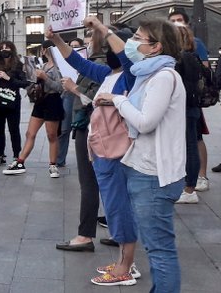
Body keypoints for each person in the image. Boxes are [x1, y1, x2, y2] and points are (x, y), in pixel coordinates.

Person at [95, 19, 186, 290]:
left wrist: (118, 100)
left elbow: (145, 122)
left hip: (154, 173)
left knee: (160, 251)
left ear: (156, 47)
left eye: (138, 38)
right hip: (145, 168)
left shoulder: (163, 77)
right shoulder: (149, 74)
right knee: (157, 248)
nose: (132, 43)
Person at [49, 18, 140, 286]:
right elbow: (79, 63)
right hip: (102, 149)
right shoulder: (108, 75)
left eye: (111, 46)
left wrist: (103, 28)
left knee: (119, 206)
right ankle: (125, 262)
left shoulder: (130, 74)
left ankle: (125, 268)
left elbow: (126, 58)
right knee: (113, 205)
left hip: (117, 150)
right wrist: (57, 40)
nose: (106, 49)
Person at [3, 41, 65, 177]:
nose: (45, 51)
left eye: (46, 49)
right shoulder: (43, 65)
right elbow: (31, 84)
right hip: (41, 101)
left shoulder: (60, 67)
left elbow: (60, 88)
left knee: (52, 135)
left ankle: (53, 165)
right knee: (30, 133)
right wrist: (32, 78)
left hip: (53, 100)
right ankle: (20, 161)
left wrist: (45, 77)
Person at [168, 9, 211, 192]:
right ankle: (188, 181)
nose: (176, 24)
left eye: (179, 20)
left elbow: (205, 69)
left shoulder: (193, 48)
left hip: (188, 102)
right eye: (172, 21)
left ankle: (198, 178)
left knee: (194, 140)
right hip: (186, 103)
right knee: (189, 141)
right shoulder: (176, 52)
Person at [0, 41, 30, 167]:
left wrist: (9, 78)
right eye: (2, 48)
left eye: (7, 48)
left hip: (12, 102)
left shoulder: (18, 65)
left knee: (14, 129)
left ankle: (16, 155)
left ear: (12, 50)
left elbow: (25, 83)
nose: (4, 50)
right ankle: (0, 154)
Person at [172, 25, 205, 204]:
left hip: (184, 108)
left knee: (189, 146)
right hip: (191, 107)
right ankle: (187, 186)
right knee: (189, 145)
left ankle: (189, 188)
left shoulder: (182, 58)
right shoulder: (192, 56)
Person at [57, 38, 84, 168]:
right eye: (71, 46)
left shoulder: (85, 61)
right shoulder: (65, 60)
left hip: (81, 94)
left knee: (80, 128)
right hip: (68, 94)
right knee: (64, 129)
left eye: (76, 46)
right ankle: (59, 159)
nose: (73, 48)